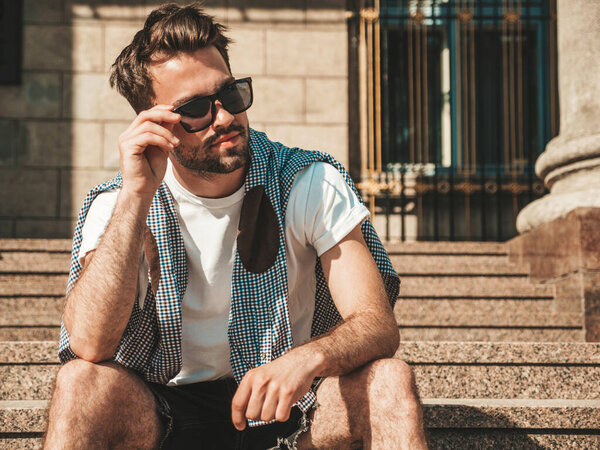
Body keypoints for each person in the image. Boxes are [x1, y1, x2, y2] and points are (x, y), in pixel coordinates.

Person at [43, 3, 428, 449]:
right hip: (165, 413)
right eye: (197, 109)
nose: (225, 117)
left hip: (288, 407)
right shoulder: (118, 201)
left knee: (388, 381)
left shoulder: (307, 180)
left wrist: (309, 358)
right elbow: (89, 344)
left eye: (230, 94)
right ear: (154, 124)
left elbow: (377, 325)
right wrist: (135, 198)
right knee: (79, 383)